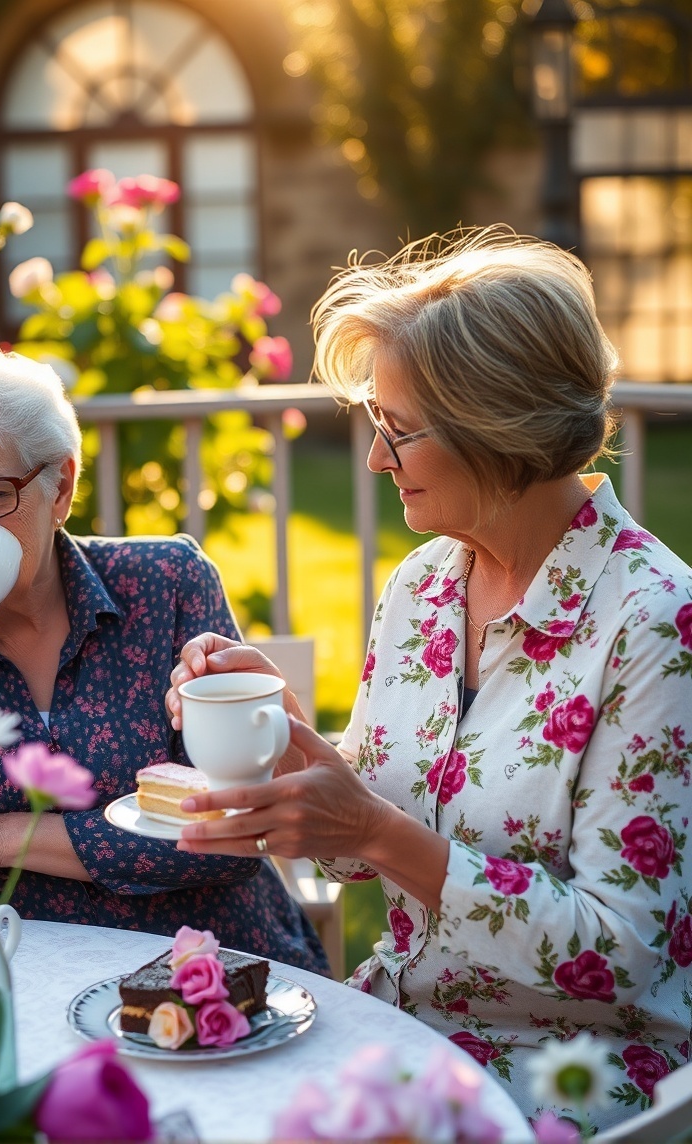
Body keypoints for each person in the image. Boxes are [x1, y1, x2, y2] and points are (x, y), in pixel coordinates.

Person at [165, 228, 692, 1129]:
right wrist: (286, 738)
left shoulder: (655, 621)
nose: (375, 460)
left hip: (572, 1072)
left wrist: (375, 830)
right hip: (403, 1027)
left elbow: (622, 953)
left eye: (396, 431)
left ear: (500, 431)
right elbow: (357, 838)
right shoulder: (422, 587)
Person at [0, 343, 328, 976]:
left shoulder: (167, 583)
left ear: (62, 487)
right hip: (0, 982)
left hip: (207, 972)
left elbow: (234, 829)